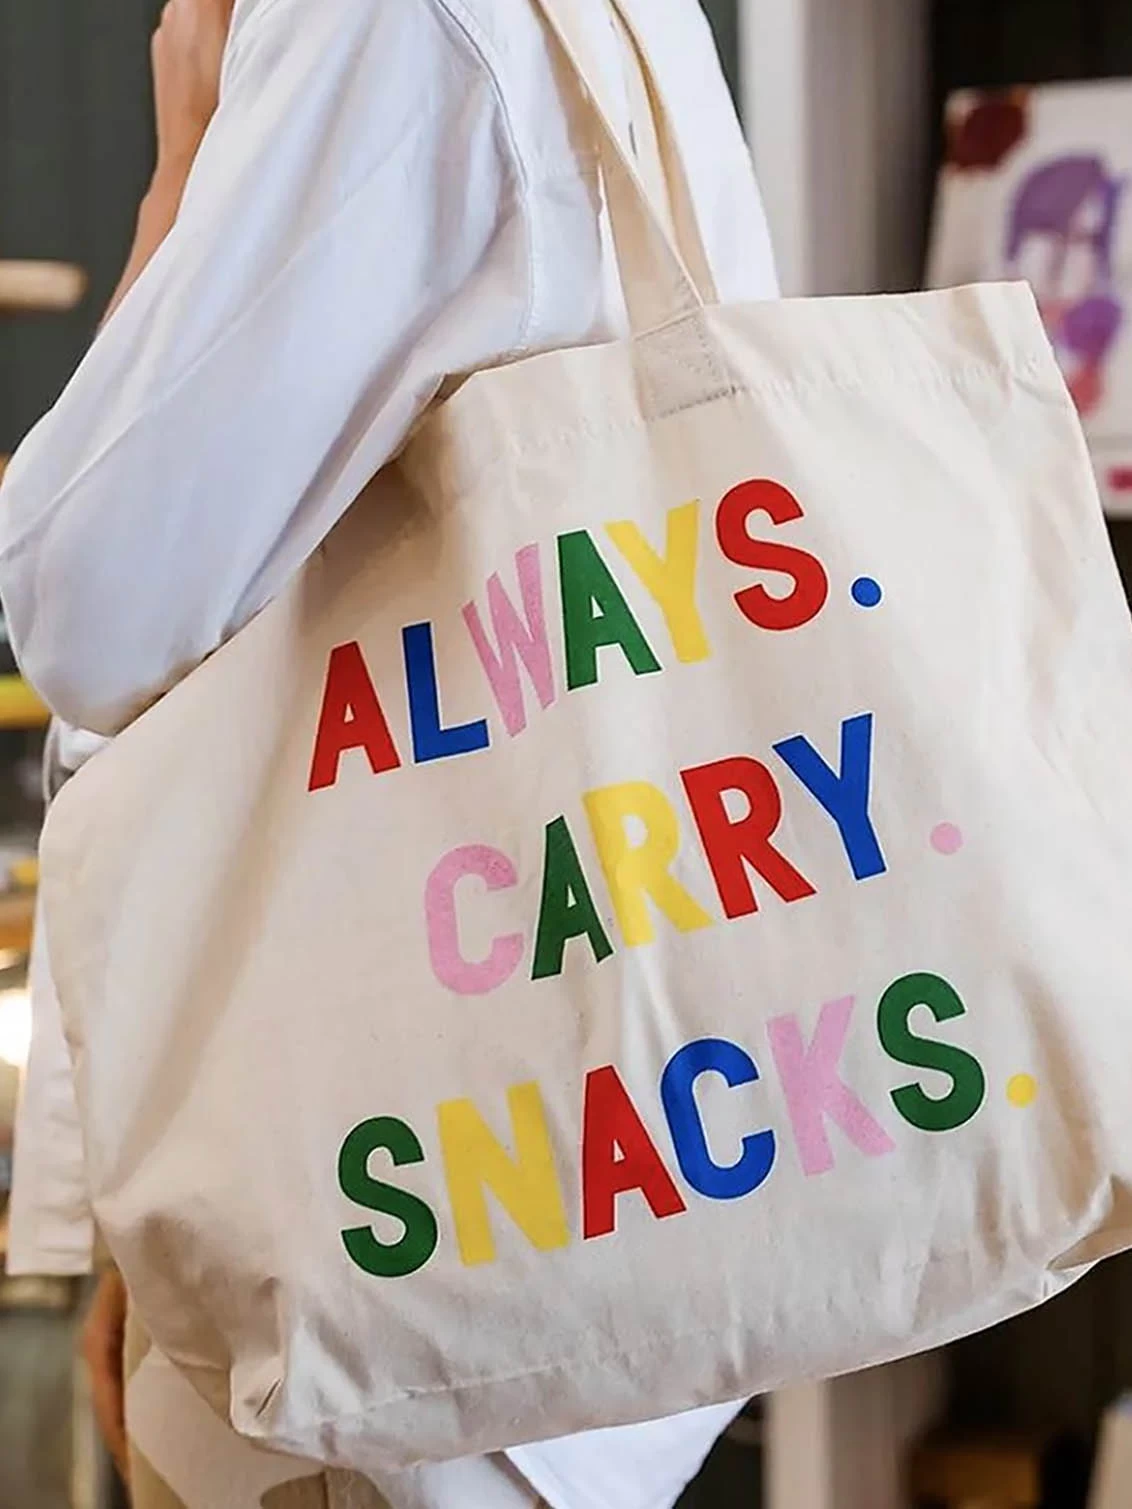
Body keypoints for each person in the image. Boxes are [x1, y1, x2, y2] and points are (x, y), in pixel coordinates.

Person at [0, 0, 778, 1503]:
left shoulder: (379, 19)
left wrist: (177, 188)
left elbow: (87, 605)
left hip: (409, 1297)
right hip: (588, 1202)